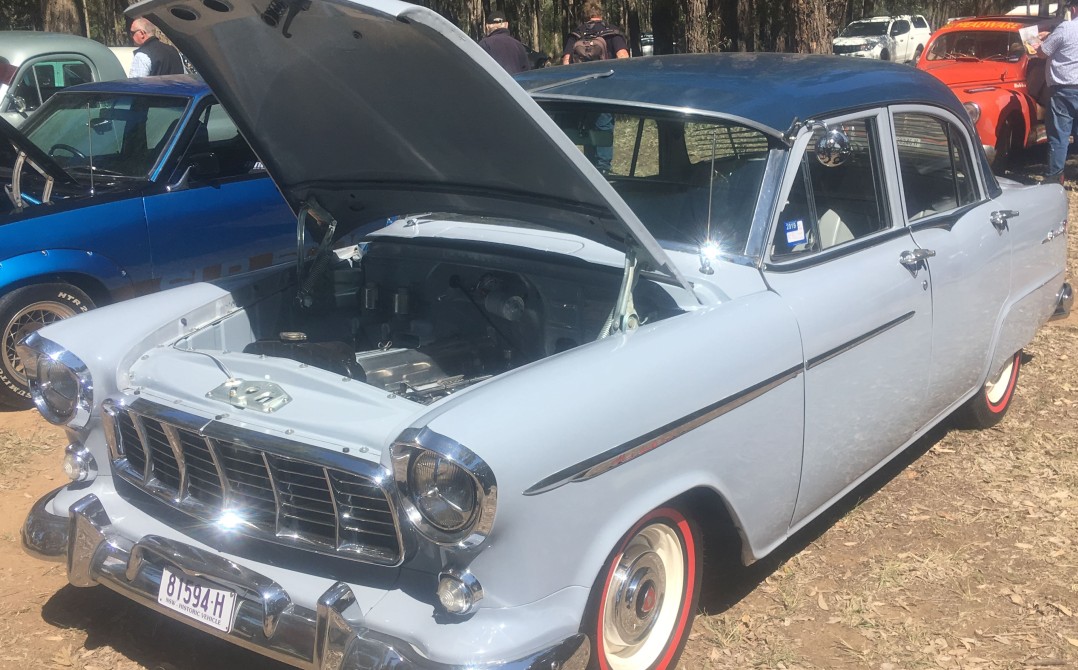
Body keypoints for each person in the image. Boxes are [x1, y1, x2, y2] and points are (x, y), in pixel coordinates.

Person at [1038, 0, 1078, 183]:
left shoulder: (1066, 28)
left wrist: (1039, 40)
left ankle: (1055, 177)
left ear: (1074, 9)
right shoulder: (1063, 30)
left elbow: (1042, 53)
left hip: (1064, 90)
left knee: (1059, 136)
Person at [561, 0, 629, 65]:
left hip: (581, 76)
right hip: (607, 74)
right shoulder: (612, 31)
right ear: (601, 14)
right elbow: (622, 56)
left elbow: (566, 61)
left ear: (585, 15)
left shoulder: (576, 34)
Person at [478, 10, 530, 75]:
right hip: (515, 84)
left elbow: (479, 72)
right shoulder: (519, 46)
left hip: (495, 84)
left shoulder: (484, 44)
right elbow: (526, 73)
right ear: (506, 25)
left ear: (487, 27)